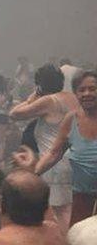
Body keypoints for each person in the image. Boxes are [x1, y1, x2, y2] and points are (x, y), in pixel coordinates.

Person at [17, 70, 97, 226]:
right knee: (76, 239)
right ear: (76, 94)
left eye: (92, 89)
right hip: (82, 196)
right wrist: (32, 174)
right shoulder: (71, 120)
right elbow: (54, 153)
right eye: (81, 90)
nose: (87, 93)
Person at [9, 64, 79, 229]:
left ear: (40, 84)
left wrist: (33, 96)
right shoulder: (72, 97)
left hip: (53, 163)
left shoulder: (48, 101)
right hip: (73, 159)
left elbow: (14, 114)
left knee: (59, 212)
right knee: (72, 208)